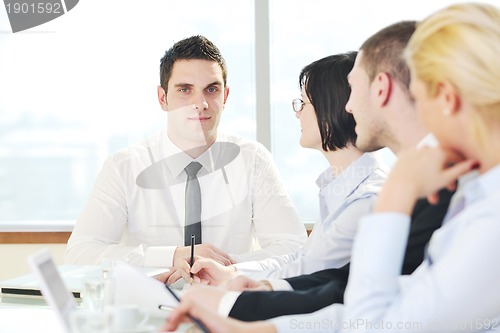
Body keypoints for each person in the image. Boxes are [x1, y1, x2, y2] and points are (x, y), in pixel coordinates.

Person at [165, 3, 500, 332]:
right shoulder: (471, 192)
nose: (349, 107)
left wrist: (394, 199)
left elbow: (374, 323)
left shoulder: (479, 213)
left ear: (446, 97)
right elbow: (376, 297)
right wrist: (263, 328)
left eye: (418, 94)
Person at [65, 35, 307, 268]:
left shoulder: (253, 160)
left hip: (228, 304)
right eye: (185, 90)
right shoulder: (123, 166)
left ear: (225, 97)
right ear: (163, 98)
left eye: (211, 90)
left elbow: (294, 248)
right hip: (151, 305)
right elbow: (80, 253)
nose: (200, 103)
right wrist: (170, 257)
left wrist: (228, 266)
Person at [160, 52, 388, 285]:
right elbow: (299, 258)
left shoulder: (367, 199)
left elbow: (309, 269)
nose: (297, 113)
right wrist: (229, 271)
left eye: (304, 103)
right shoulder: (340, 188)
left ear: (336, 107)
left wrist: (232, 277)